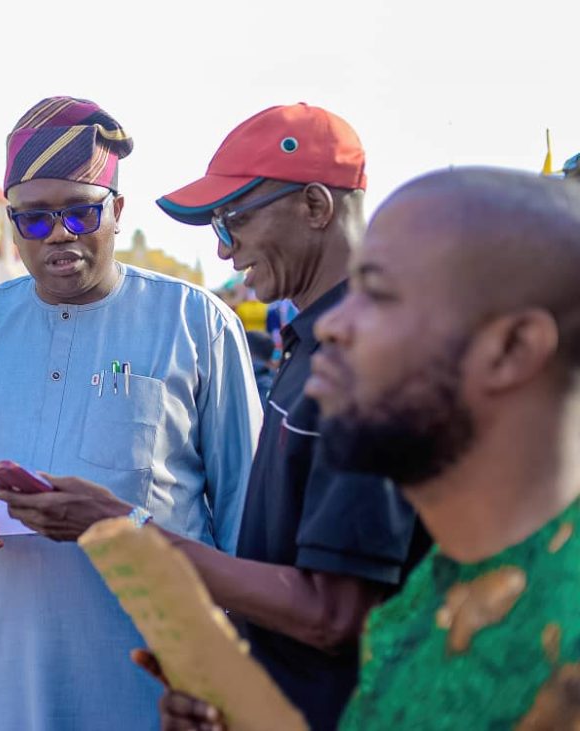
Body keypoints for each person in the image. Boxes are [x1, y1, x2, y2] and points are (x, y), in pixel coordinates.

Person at [0, 103, 426, 730]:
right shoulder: (313, 347)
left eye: (235, 220)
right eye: (33, 219)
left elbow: (335, 617)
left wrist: (124, 530)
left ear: (314, 206)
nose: (225, 251)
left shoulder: (369, 365)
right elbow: (284, 570)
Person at [152, 168, 580, 729]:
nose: (329, 328)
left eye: (376, 292)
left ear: (511, 349)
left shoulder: (560, 639)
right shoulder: (426, 597)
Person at [0, 96, 262, 731]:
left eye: (80, 211)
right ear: (12, 225)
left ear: (116, 211)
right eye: (33, 219)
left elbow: (246, 515)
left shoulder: (197, 324)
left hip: (159, 683)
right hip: (11, 676)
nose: (59, 234)